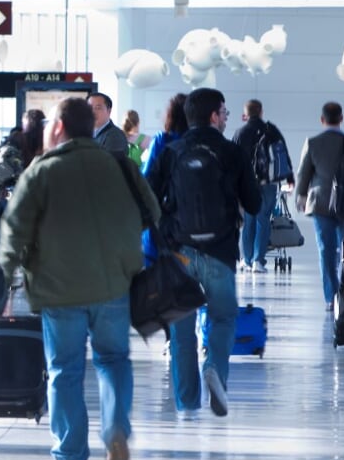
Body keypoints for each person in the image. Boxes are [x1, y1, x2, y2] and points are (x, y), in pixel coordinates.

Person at [0, 97, 160, 460]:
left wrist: (3, 283)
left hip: (59, 288)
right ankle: (116, 430)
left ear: (58, 127)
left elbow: (14, 231)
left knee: (64, 370)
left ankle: (69, 455)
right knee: (114, 360)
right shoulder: (118, 164)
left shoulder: (41, 171)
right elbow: (152, 209)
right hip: (112, 285)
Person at [146, 88, 261, 420]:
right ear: (213, 116)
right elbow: (254, 203)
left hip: (179, 252)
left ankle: (187, 406)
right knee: (223, 318)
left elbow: (149, 199)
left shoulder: (170, 151)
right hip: (220, 252)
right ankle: (214, 371)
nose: (227, 117)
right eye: (224, 112)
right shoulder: (232, 151)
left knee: (181, 332)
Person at [293, 101, 344, 312]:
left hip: (321, 204)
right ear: (342, 119)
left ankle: (331, 297)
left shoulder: (313, 142)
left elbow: (304, 173)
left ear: (322, 120)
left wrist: (300, 196)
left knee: (325, 250)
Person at [232, 99, 293, 272]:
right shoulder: (271, 130)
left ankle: (246, 259)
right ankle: (259, 260)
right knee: (263, 219)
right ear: (261, 112)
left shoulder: (239, 133)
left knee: (249, 219)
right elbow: (283, 154)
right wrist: (289, 178)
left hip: (247, 182)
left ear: (246, 114)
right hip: (269, 181)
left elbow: (232, 159)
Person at [139, 93, 188, 264]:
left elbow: (146, 178)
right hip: (191, 219)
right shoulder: (196, 141)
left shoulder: (162, 140)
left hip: (163, 217)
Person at [88, 92, 129, 156]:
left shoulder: (115, 136)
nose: (93, 112)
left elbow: (111, 164)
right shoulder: (88, 134)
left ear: (109, 111)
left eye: (98, 108)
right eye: (89, 108)